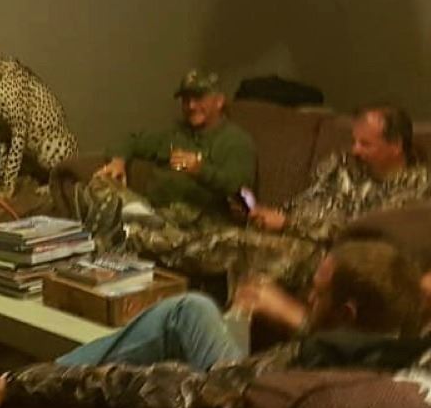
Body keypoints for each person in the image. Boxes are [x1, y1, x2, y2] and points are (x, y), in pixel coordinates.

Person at [0, 238, 430, 408]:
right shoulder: (406, 356)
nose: (308, 299)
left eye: (317, 293)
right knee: (195, 310)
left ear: (348, 314)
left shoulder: (303, 369)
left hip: (227, 403)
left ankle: (12, 395)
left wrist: (35, 382)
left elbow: (178, 390)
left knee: (187, 310)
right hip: (247, 386)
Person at [136, 104, 431, 288]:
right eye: (354, 141)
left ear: (396, 146)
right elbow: (307, 199)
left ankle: (139, 237)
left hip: (326, 253)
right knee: (220, 228)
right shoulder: (345, 164)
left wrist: (289, 224)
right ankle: (143, 234)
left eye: (366, 144)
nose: (355, 150)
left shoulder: (413, 189)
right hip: (291, 231)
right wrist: (266, 213)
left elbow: (359, 236)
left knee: (230, 243)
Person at [76, 69, 256, 239]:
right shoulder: (174, 134)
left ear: (219, 101)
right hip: (156, 211)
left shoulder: (235, 141)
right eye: (186, 99)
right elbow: (131, 139)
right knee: (99, 184)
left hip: (198, 222)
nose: (191, 106)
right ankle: (140, 228)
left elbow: (242, 191)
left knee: (124, 224)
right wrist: (118, 161)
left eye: (198, 98)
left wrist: (201, 170)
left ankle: (141, 232)